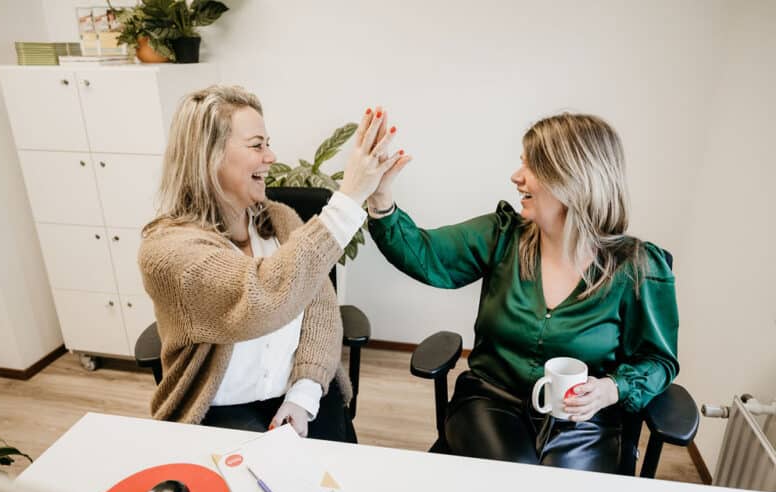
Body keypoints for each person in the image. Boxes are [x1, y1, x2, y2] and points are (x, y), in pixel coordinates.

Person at [365, 113, 679, 472]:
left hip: (583, 423)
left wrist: (611, 389)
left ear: (572, 178)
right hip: (490, 402)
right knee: (514, 477)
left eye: (531, 166)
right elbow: (424, 254)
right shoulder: (502, 236)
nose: (516, 177)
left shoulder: (637, 266)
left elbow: (658, 360)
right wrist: (380, 196)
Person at [138, 85, 410, 442]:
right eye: (257, 145)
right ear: (209, 155)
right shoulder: (167, 251)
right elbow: (262, 296)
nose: (271, 156)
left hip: (298, 390)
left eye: (268, 143)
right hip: (218, 408)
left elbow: (321, 309)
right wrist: (349, 199)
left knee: (339, 473)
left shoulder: (281, 219)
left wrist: (304, 394)